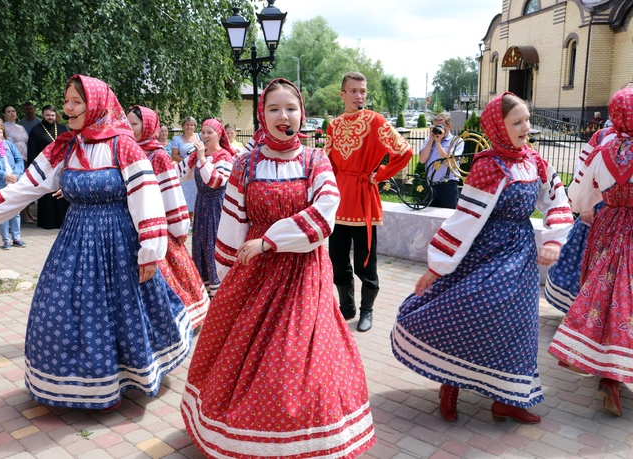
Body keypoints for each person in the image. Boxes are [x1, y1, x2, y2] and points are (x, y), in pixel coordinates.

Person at [181, 78, 375, 458]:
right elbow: (232, 222)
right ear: (262, 115)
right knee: (244, 358)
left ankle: (304, 442)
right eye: (273, 109)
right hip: (255, 274)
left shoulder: (314, 160)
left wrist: (271, 240)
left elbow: (324, 217)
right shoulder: (246, 163)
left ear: (301, 114)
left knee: (297, 361)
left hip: (304, 272)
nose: (283, 116)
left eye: (290, 108)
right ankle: (248, 439)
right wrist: (226, 279)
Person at [0, 75, 192, 411]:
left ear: (96, 105)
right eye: (66, 100)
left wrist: (150, 251)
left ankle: (128, 375)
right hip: (74, 239)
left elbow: (146, 197)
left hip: (119, 241)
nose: (67, 108)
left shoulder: (124, 145)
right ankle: (78, 382)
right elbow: (22, 189)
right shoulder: (65, 146)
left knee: (124, 311)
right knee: (60, 309)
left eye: (76, 102)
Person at [391, 92, 573, 424]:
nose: (525, 127)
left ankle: (508, 399)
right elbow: (464, 218)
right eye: (517, 122)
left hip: (521, 257)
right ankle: (450, 385)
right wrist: (437, 266)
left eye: (527, 120)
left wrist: (555, 241)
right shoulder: (489, 165)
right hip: (483, 253)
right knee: (465, 312)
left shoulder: (534, 160)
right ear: (497, 127)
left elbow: (557, 201)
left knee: (519, 327)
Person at [548, 87, 633, 417]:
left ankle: (607, 375)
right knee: (625, 302)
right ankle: (616, 373)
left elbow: (579, 197)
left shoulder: (602, 151)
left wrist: (603, 201)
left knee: (603, 295)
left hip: (607, 227)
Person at [325, 71, 413, 332]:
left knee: (366, 263)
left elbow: (404, 151)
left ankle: (367, 311)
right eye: (353, 91)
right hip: (339, 202)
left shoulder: (376, 121)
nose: (358, 96)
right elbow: (329, 164)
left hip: (364, 200)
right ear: (342, 94)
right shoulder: (333, 125)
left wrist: (380, 174)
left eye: (362, 91)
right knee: (338, 261)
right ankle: (347, 308)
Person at [126, 105, 209, 328]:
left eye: (134, 124)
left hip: (158, 224)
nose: (129, 128)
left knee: (172, 272)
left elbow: (170, 192)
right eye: (127, 123)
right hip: (131, 224)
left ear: (148, 126)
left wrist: (178, 227)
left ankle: (183, 319)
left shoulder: (157, 155)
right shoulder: (126, 151)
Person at [544, 126, 610, 313]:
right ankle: (579, 312)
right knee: (582, 259)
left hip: (621, 215)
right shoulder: (603, 136)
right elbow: (583, 168)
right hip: (595, 207)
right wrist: (583, 203)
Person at [175, 119, 235, 299]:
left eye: (210, 132)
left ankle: (220, 291)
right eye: (203, 132)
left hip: (217, 207)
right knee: (200, 246)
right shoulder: (197, 156)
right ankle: (204, 290)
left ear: (218, 135)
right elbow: (179, 174)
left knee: (213, 246)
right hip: (202, 206)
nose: (205, 136)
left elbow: (215, 181)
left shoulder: (224, 156)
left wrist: (201, 158)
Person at [26, 105, 70, 229]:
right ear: (43, 115)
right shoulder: (36, 130)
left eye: (52, 115)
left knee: (61, 195)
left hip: (61, 167)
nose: (50, 118)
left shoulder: (63, 128)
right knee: (47, 196)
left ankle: (63, 221)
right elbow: (32, 151)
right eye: (47, 115)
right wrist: (33, 170)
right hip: (44, 168)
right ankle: (47, 222)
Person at [418, 112, 465, 209]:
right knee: (427, 220)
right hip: (430, 186)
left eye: (441, 126)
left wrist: (438, 144)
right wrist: (431, 140)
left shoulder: (456, 141)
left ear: (449, 126)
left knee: (447, 219)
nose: (438, 129)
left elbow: (449, 163)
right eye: (435, 126)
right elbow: (422, 160)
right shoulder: (429, 140)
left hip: (448, 187)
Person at [0, 122, 26, 250]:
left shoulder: (9, 145)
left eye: (0, 132)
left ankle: (16, 238)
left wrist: (16, 175)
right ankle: (6, 240)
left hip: (13, 181)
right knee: (2, 211)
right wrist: (4, 175)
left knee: (15, 211)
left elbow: (19, 160)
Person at [171, 117, 199, 225]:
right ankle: (186, 220)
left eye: (191, 124)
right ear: (183, 126)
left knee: (196, 194)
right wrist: (187, 161)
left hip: (197, 170)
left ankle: (195, 220)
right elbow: (174, 155)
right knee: (185, 194)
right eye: (187, 124)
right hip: (184, 170)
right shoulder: (177, 139)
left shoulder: (199, 137)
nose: (189, 127)